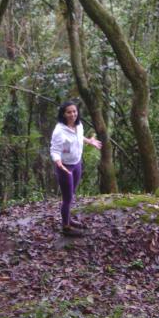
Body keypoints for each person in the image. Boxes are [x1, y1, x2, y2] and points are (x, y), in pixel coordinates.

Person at [50, 101, 102, 236]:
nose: (73, 114)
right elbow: (54, 150)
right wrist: (58, 162)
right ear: (63, 114)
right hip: (65, 167)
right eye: (69, 112)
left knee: (71, 195)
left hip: (77, 163)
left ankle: (68, 219)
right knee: (67, 198)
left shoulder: (79, 125)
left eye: (74, 111)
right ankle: (66, 227)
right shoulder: (59, 131)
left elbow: (78, 137)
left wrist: (89, 141)